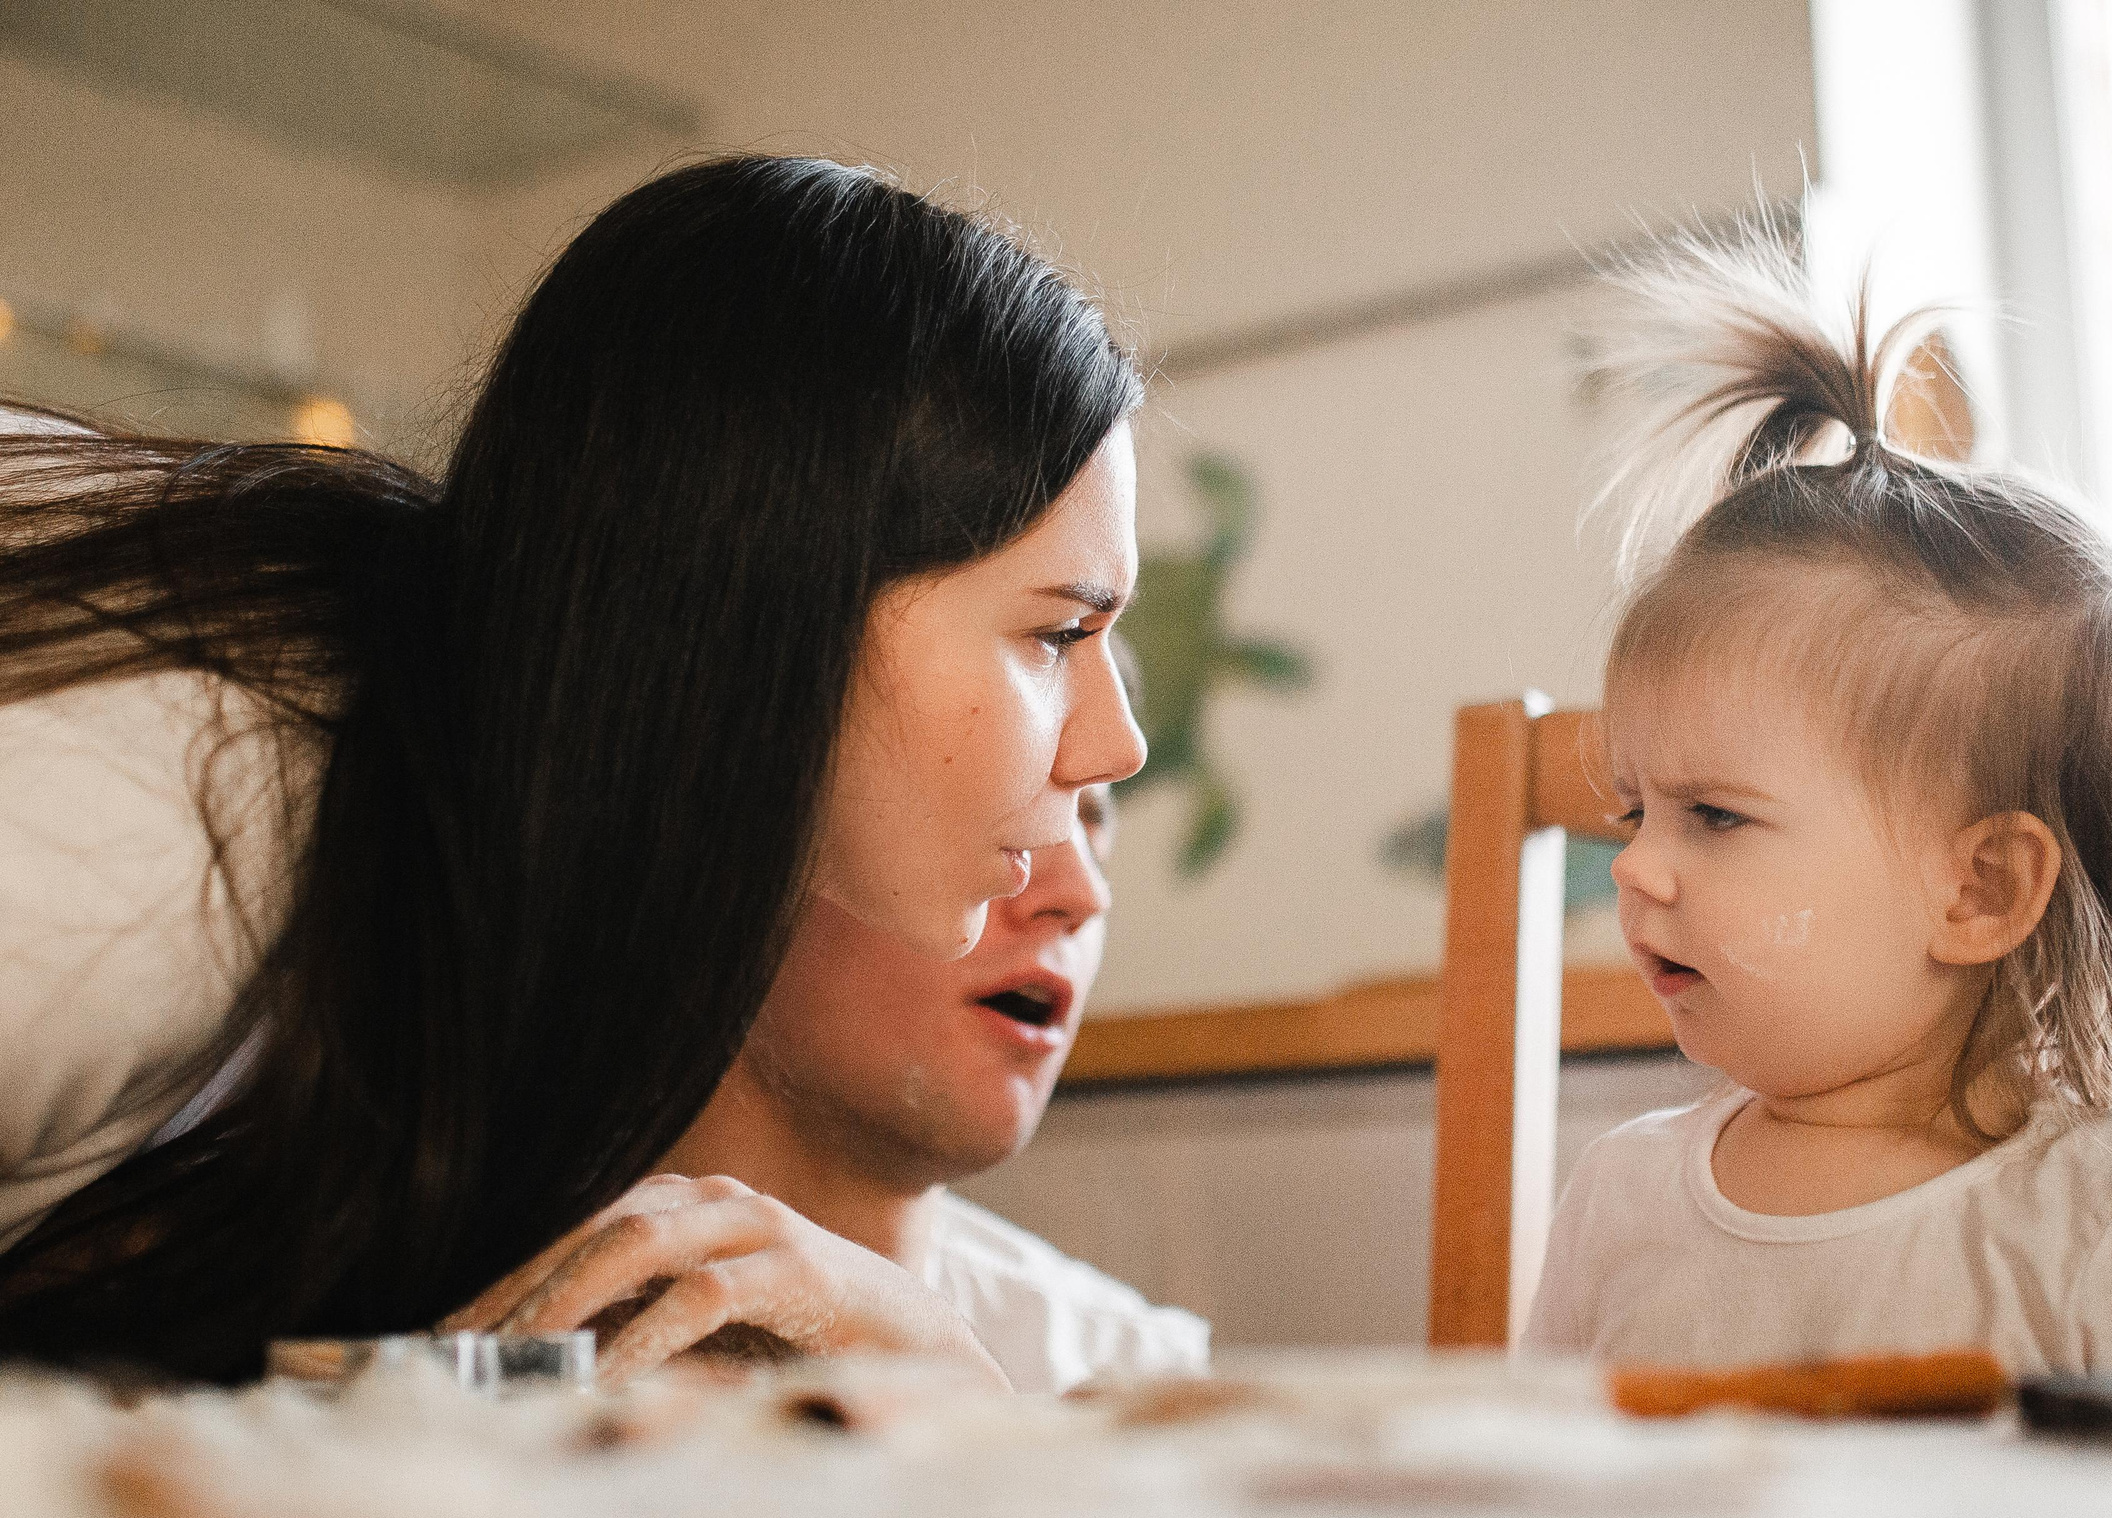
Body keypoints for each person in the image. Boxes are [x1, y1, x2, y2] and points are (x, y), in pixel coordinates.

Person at [0, 156, 1147, 1386]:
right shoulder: (179, 783)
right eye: (1058, 633)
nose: (1116, 744)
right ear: (783, 588)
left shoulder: (499, 916)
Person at [1524, 229, 2112, 1378]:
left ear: (1979, 888)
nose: (1639, 869)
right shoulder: (1621, 1203)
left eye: (1712, 816)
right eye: (1632, 813)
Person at [653, 778, 1208, 1393]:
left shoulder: (1138, 1382)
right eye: (1005, 807)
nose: (1085, 894)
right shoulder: (531, 1335)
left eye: (1094, 828)